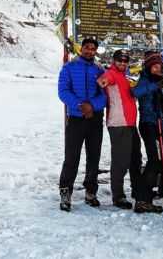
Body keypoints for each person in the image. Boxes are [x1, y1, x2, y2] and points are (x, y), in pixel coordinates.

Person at [97, 50, 155, 213]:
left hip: (130, 123)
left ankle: (137, 190)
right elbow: (105, 79)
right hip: (118, 123)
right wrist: (103, 81)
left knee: (135, 159)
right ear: (114, 61)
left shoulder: (123, 77)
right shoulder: (112, 74)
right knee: (121, 161)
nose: (123, 63)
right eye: (120, 60)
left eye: (125, 61)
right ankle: (118, 195)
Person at [57, 38, 107, 212]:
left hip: (95, 119)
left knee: (94, 157)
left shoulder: (100, 70)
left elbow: (104, 95)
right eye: (86, 48)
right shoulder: (69, 68)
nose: (89, 51)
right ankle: (65, 192)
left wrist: (92, 105)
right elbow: (63, 91)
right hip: (76, 119)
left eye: (93, 49)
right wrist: (81, 105)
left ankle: (91, 192)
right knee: (71, 157)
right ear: (81, 49)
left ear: (95, 51)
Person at [131, 51, 163, 211]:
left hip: (162, 125)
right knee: (155, 161)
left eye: (159, 66)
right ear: (148, 67)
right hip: (149, 124)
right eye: (154, 66)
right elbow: (136, 93)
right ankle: (142, 198)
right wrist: (155, 86)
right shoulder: (144, 80)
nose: (158, 69)